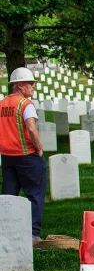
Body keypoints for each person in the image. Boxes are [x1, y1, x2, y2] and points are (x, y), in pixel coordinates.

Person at [0, 67, 45, 242]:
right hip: (28, 156)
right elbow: (32, 128)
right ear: (19, 85)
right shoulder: (26, 104)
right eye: (30, 83)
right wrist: (39, 148)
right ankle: (33, 233)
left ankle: (6, 232)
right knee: (34, 194)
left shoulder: (2, 104)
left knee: (9, 196)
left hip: (7, 157)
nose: (33, 86)